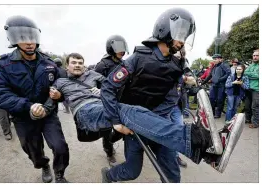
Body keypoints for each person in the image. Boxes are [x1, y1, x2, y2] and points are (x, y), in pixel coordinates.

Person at [35, 49, 243, 182]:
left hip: (149, 122)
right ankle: (201, 143)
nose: (78, 65)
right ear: (67, 65)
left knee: (170, 169)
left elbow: (109, 86)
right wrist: (49, 102)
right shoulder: (61, 82)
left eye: (81, 62)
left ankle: (206, 150)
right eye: (74, 62)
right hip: (97, 115)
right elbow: (52, 102)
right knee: (128, 116)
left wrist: (103, 90)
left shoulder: (94, 75)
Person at [99, 8, 242, 183]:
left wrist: (197, 91)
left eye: (185, 36)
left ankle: (208, 147)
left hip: (161, 121)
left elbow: (180, 85)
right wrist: (116, 122)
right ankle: (108, 175)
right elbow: (107, 87)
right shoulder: (138, 58)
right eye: (180, 34)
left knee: (172, 175)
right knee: (132, 171)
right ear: (165, 30)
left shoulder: (177, 63)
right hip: (135, 122)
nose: (182, 41)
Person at [0, 15, 69, 183]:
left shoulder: (49, 63)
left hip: (48, 114)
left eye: (32, 37)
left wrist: (59, 96)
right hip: (23, 117)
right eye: (23, 38)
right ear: (13, 39)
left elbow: (62, 87)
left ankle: (59, 174)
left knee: (60, 147)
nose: (29, 42)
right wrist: (28, 106)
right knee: (34, 153)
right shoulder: (2, 64)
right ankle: (43, 165)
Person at [94, 35, 129, 165]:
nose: (122, 51)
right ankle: (109, 152)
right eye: (119, 48)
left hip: (122, 101)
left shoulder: (124, 64)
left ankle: (111, 141)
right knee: (107, 128)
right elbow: (95, 84)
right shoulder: (102, 65)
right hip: (107, 102)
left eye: (123, 48)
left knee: (121, 129)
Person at [201, 54, 231, 118]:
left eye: (215, 59)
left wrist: (220, 79)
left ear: (220, 59)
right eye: (213, 59)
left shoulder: (224, 65)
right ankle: (212, 113)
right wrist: (203, 82)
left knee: (220, 100)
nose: (214, 60)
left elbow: (228, 73)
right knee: (211, 99)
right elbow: (209, 75)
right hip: (214, 85)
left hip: (221, 85)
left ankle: (218, 114)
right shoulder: (214, 67)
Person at [244, 49, 259, 128]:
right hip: (248, 88)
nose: (255, 57)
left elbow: (258, 76)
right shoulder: (251, 65)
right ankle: (248, 119)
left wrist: (250, 75)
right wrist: (253, 75)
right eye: (254, 55)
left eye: (257, 55)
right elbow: (245, 73)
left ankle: (256, 123)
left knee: (255, 106)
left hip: (257, 89)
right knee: (247, 105)